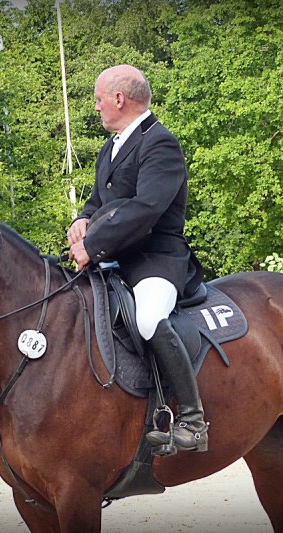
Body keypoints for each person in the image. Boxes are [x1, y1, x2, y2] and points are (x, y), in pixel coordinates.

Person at [67, 64, 207, 452]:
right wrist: (81, 220)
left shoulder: (160, 143)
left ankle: (193, 420)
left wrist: (92, 246)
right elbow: (99, 201)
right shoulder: (111, 147)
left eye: (98, 99)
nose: (96, 107)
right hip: (114, 259)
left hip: (155, 259)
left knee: (148, 318)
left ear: (119, 99)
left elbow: (146, 208)